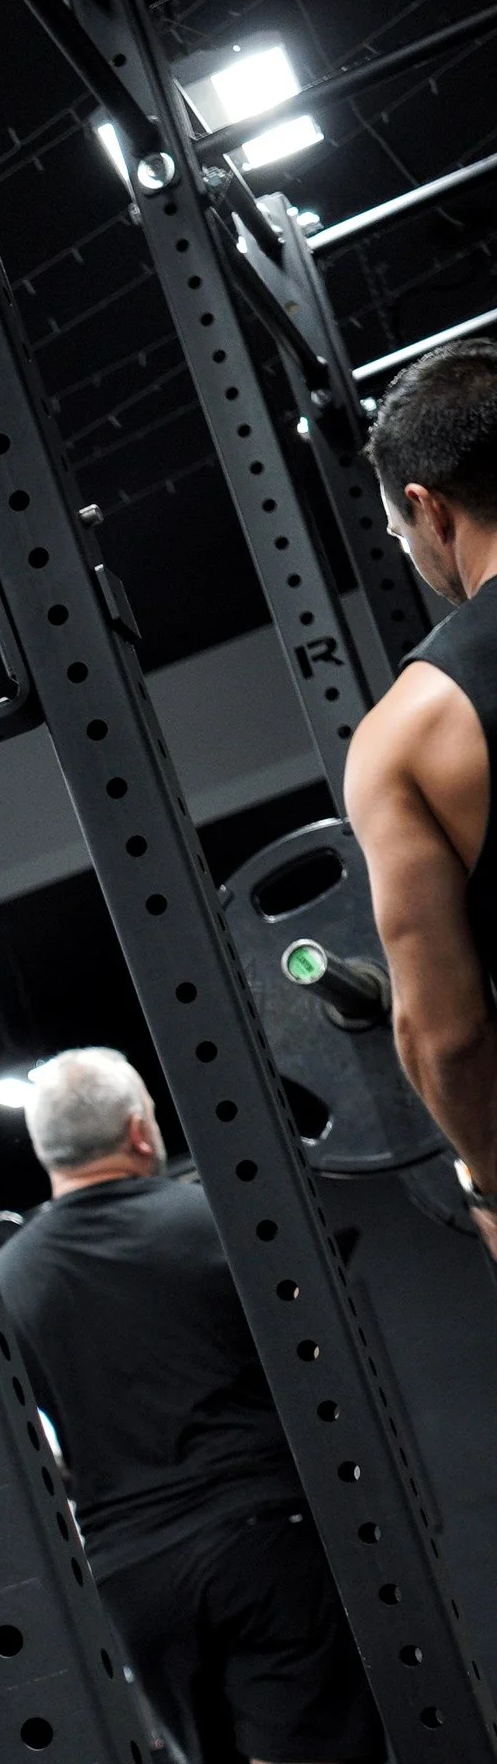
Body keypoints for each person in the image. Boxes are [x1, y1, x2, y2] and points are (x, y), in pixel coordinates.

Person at [0, 1048, 381, 1764]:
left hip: (129, 1567)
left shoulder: (3, 1283)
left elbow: (34, 1449)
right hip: (259, 1534)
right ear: (139, 1130)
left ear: (48, 1155)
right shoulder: (213, 1219)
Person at [346, 333, 497, 1263]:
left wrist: (488, 1179)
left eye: (402, 536)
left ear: (425, 507)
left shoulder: (410, 735)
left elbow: (445, 1037)